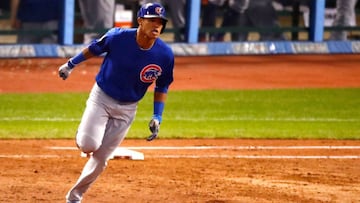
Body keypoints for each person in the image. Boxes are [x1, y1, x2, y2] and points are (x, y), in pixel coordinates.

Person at [58, 2, 174, 203]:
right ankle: (82, 137)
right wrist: (70, 65)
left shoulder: (165, 55)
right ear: (140, 21)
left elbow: (162, 86)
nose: (157, 25)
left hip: (128, 109)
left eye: (160, 22)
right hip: (102, 98)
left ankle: (74, 198)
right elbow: (94, 48)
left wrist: (157, 115)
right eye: (151, 20)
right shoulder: (118, 37)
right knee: (88, 145)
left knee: (101, 159)